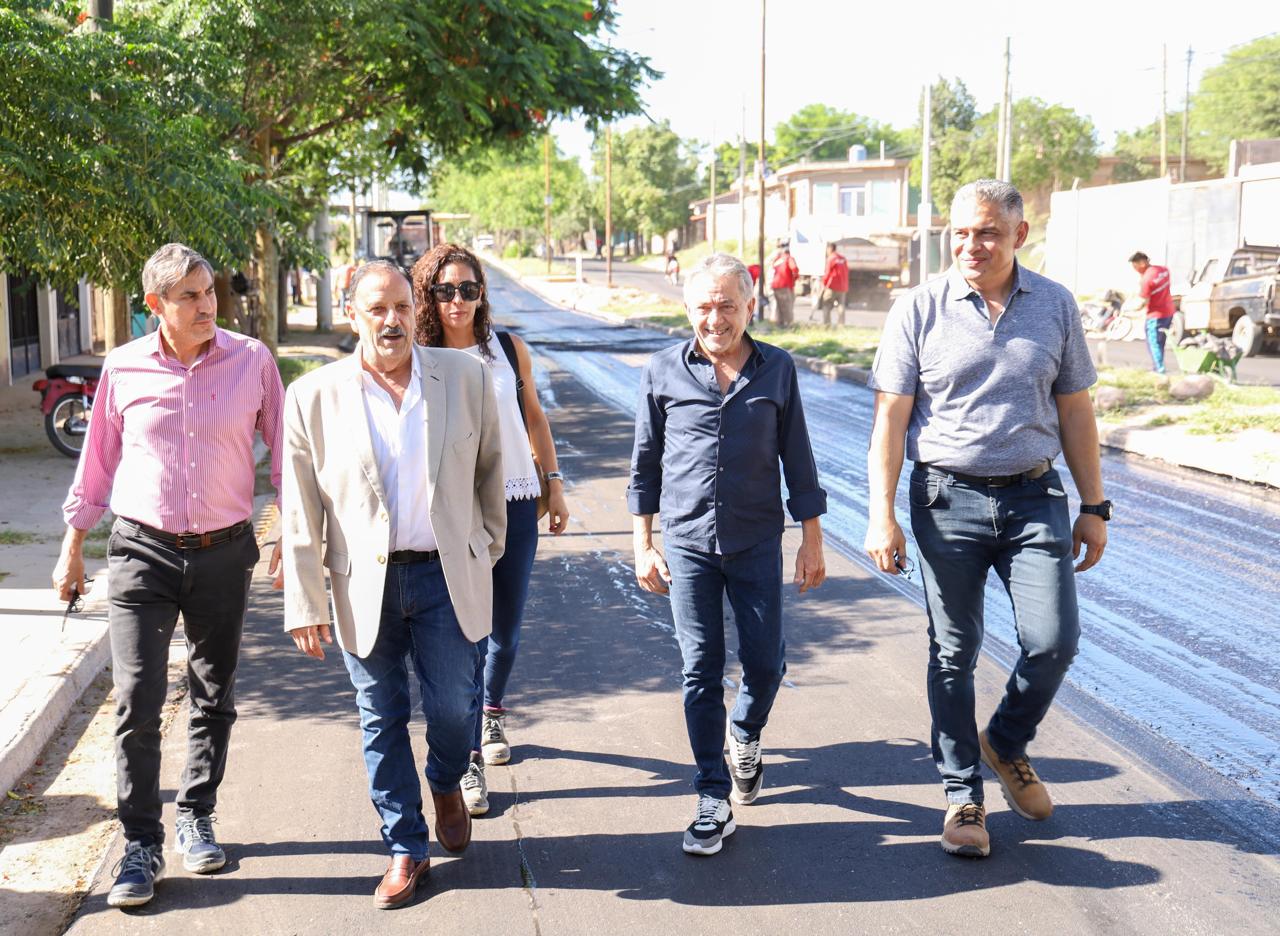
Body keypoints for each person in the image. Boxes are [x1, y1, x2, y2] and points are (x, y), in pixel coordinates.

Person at [864, 179, 1110, 859]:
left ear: (1019, 235)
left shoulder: (1055, 304)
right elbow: (890, 419)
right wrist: (881, 515)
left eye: (988, 233)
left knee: (1054, 640)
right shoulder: (918, 308)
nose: (972, 245)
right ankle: (961, 794)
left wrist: (1094, 506)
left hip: (1035, 497)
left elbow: (1076, 410)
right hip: (946, 499)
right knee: (954, 650)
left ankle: (1003, 740)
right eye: (962, 233)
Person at [53, 243, 284, 908]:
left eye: (209, 291)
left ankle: (197, 813)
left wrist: (286, 531)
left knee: (214, 693)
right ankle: (140, 842)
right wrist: (73, 546)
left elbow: (287, 450)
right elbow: (98, 461)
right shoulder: (123, 366)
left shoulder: (252, 361)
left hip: (224, 552)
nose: (207, 305)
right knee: (138, 700)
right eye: (189, 296)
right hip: (141, 552)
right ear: (155, 304)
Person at [282, 260, 506, 909]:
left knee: (455, 708)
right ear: (352, 315)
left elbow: (491, 469)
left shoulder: (464, 376)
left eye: (402, 307)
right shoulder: (313, 396)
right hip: (364, 584)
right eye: (377, 309)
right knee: (379, 716)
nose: (392, 321)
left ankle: (446, 780)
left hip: (444, 575)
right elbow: (301, 509)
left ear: (415, 311)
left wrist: (485, 548)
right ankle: (406, 846)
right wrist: (305, 601)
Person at [628, 252, 827, 857]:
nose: (715, 318)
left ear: (749, 306)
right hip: (687, 543)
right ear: (688, 309)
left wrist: (812, 539)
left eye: (727, 306)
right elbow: (645, 464)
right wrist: (643, 544)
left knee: (765, 665)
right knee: (700, 669)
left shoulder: (777, 368)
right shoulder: (662, 370)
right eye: (704, 307)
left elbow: (798, 457)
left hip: (756, 539)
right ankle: (711, 794)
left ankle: (745, 732)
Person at [411, 243, 570, 817]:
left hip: (518, 499)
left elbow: (534, 418)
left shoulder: (507, 348)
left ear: (482, 294)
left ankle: (491, 712)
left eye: (469, 289)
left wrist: (554, 483)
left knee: (506, 629)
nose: (457, 300)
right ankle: (470, 757)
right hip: (458, 511)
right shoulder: (420, 356)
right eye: (444, 290)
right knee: (466, 632)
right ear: (427, 296)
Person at [1128, 251, 1175, 374]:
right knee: (1161, 341)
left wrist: (1129, 311)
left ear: (1142, 263)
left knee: (1153, 343)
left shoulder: (1146, 280)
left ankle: (1159, 370)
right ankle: (1158, 366)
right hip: (1169, 312)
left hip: (1155, 316)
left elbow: (1143, 302)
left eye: (1135, 266)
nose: (1135, 270)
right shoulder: (1164, 270)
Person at [769, 239, 800, 325]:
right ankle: (789, 325)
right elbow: (794, 269)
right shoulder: (789, 258)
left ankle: (780, 324)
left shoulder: (778, 259)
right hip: (785, 286)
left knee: (780, 306)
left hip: (775, 286)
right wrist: (794, 279)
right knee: (787, 306)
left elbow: (772, 267)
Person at [820, 242, 850, 325]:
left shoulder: (831, 258)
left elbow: (827, 273)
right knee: (841, 306)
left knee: (826, 304)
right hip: (843, 286)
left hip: (832, 286)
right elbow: (846, 271)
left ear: (830, 249)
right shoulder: (843, 259)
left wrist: (824, 283)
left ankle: (827, 324)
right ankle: (841, 324)